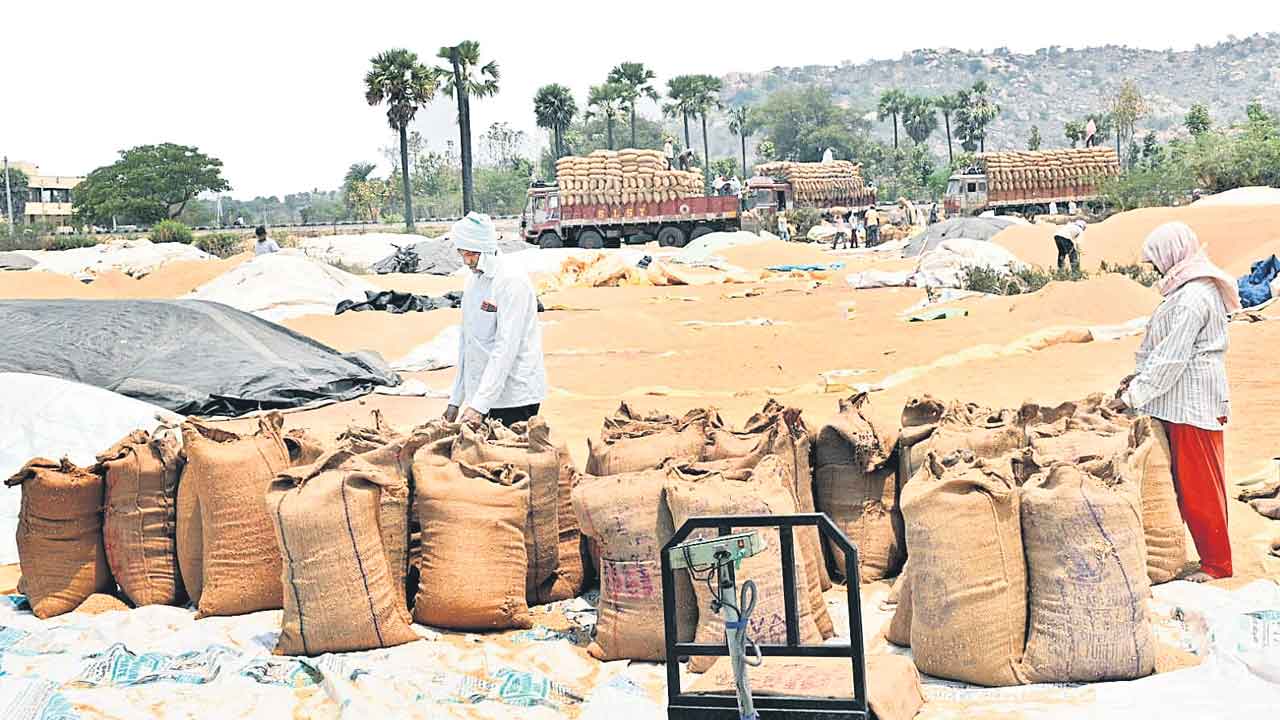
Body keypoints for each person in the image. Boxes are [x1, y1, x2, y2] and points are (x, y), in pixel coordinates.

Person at [1115, 222, 1241, 583]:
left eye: (1156, 260)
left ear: (1171, 254)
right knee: (1184, 484)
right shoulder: (1184, 291)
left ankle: (1217, 564)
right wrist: (1135, 379)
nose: (1155, 268)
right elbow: (1159, 350)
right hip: (1177, 400)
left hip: (1193, 402)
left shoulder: (1194, 297)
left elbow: (1171, 358)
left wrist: (1133, 397)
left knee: (1200, 486)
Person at [443, 212, 547, 428]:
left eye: (469, 254)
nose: (466, 261)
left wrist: (479, 406)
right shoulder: (473, 281)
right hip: (482, 396)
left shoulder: (511, 281)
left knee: (508, 448)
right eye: (462, 253)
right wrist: (456, 400)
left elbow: (506, 347)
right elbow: (468, 344)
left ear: (483, 249)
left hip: (514, 398)